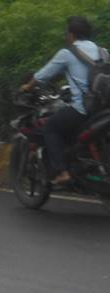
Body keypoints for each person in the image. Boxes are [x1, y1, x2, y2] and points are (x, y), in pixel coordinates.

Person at [21, 15, 104, 188]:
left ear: (71, 34)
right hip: (103, 108)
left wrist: (27, 87)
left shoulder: (68, 53)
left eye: (67, 33)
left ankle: (62, 171)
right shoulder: (103, 52)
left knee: (51, 127)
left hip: (83, 109)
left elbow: (43, 75)